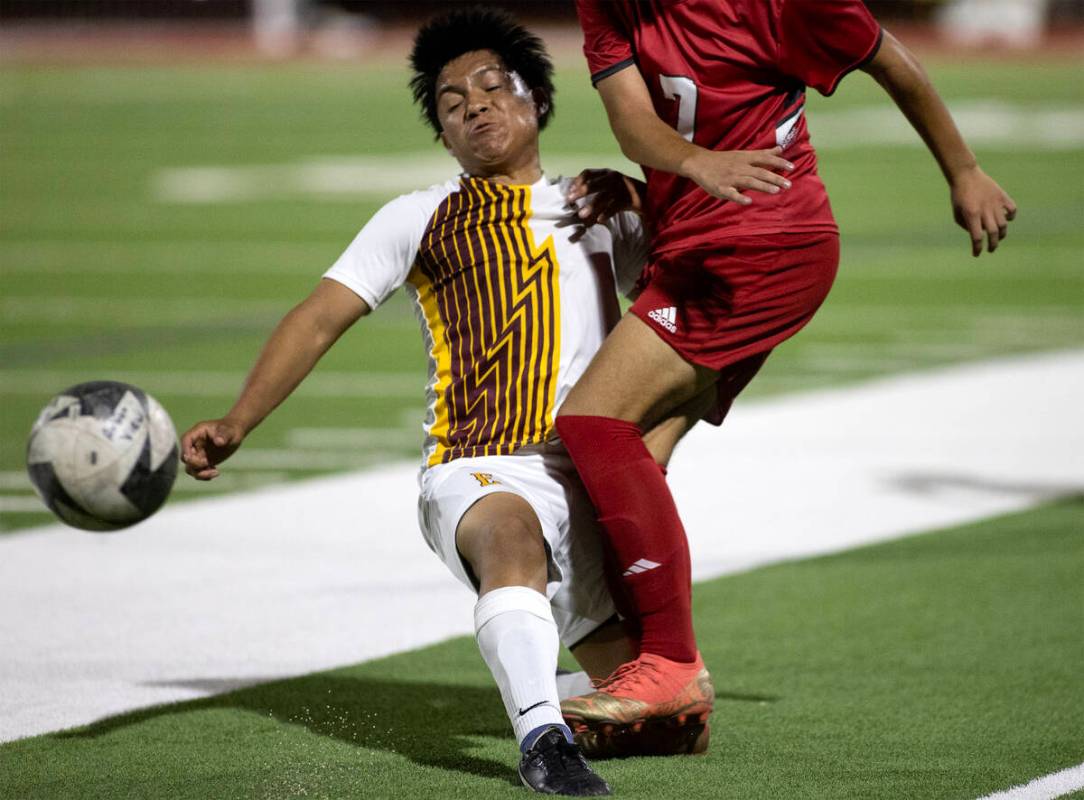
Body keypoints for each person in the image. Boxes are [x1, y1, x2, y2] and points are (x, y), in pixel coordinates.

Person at [180, 6, 704, 795]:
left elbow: (692, 315)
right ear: (443, 136)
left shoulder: (601, 205)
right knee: (511, 545)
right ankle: (541, 743)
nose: (474, 106)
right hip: (479, 466)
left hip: (596, 481)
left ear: (537, 101)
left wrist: (646, 199)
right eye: (452, 104)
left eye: (493, 88)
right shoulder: (419, 217)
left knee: (669, 732)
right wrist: (237, 421)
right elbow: (321, 317)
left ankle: (546, 701)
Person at [556, 0, 1018, 741]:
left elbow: (893, 61)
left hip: (766, 247)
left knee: (591, 424)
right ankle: (670, 702)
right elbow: (634, 120)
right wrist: (679, 170)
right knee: (628, 463)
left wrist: (963, 171)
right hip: (697, 247)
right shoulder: (607, 3)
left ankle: (671, 664)